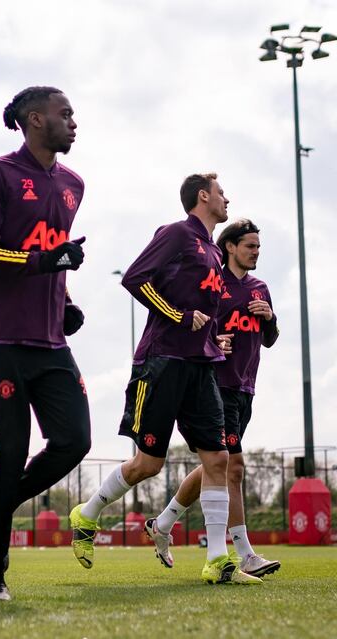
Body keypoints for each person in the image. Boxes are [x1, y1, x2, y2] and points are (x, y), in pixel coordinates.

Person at [70, 173, 263, 585]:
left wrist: (215, 338)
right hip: (161, 362)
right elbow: (134, 277)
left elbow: (203, 312)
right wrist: (177, 316)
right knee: (148, 465)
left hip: (201, 366)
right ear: (203, 196)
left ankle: (217, 560)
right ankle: (86, 514)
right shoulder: (177, 233)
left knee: (217, 459)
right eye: (222, 192)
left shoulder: (213, 251)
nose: (227, 198)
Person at [0, 86, 92, 601]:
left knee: (75, 440)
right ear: (33, 120)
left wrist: (64, 302)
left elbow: (52, 253)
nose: (74, 121)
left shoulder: (73, 185)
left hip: (50, 339)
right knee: (9, 454)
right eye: (65, 114)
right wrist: (45, 263)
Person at [145, 218, 280, 577]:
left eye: (258, 247)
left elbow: (270, 339)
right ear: (231, 246)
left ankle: (162, 523)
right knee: (233, 467)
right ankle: (244, 553)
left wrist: (270, 318)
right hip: (214, 385)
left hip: (245, 387)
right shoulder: (213, 284)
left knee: (215, 465)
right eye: (249, 245)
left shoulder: (260, 288)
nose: (255, 252)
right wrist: (213, 341)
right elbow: (196, 327)